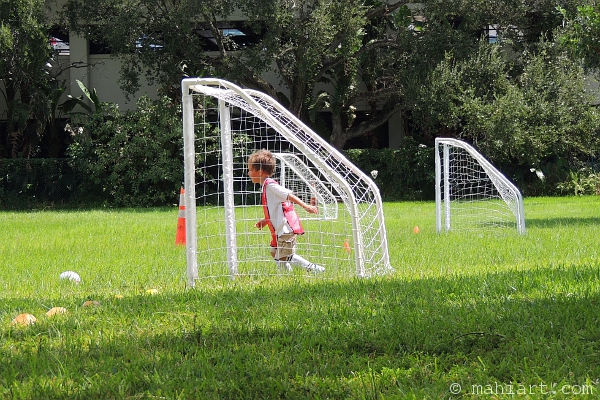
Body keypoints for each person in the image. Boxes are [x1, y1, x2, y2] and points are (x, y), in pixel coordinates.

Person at [247, 149, 325, 273]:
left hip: (285, 229)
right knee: (274, 252)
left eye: (251, 170)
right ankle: (287, 276)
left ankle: (314, 269)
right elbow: (275, 209)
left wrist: (305, 205)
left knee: (284, 255)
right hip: (278, 230)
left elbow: (288, 195)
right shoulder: (266, 186)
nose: (248, 173)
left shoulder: (270, 185)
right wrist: (266, 221)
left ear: (260, 171)